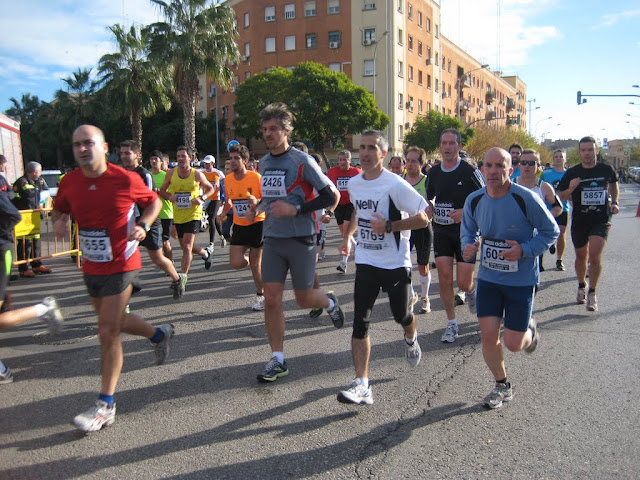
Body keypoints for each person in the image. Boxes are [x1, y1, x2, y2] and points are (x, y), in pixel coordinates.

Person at [52, 125, 175, 432]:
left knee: (107, 331)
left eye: (88, 143)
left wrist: (144, 224)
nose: (82, 149)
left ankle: (106, 405)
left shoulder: (124, 179)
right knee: (116, 323)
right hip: (92, 266)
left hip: (124, 262)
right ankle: (159, 335)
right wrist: (60, 221)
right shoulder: (70, 182)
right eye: (77, 144)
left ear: (104, 147)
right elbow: (59, 209)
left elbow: (154, 202)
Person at [250, 103, 344, 382]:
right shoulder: (265, 162)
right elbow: (272, 195)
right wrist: (258, 208)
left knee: (303, 299)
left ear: (286, 131)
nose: (268, 134)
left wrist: (298, 210)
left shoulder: (302, 161)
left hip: (302, 238)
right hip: (274, 240)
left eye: (273, 129)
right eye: (265, 129)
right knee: (272, 300)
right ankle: (277, 359)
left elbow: (330, 195)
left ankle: (328, 301)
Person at [461, 147, 559, 409]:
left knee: (514, 344)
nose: (493, 171)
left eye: (499, 166)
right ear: (482, 170)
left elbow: (552, 231)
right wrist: (468, 247)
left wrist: (524, 250)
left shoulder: (525, 198)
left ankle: (530, 329)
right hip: (490, 280)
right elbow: (467, 232)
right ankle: (501, 385)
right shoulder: (474, 200)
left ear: (510, 170)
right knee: (488, 335)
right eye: (488, 166)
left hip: (521, 281)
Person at [336, 130, 428, 405]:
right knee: (359, 322)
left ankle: (411, 338)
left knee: (401, 315)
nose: (364, 153)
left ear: (383, 154)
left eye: (371, 148)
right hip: (365, 261)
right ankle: (362, 384)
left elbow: (423, 218)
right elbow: (356, 212)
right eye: (361, 147)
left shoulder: (395, 185)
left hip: (394, 264)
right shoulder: (354, 184)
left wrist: (390, 226)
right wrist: (348, 236)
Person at [426, 128, 484, 343]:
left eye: (452, 143)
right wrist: (429, 207)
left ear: (459, 146)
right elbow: (428, 198)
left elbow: (485, 198)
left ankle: (471, 291)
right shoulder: (433, 172)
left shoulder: (469, 171)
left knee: (464, 281)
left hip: (466, 232)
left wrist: (466, 212)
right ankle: (452, 324)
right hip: (441, 230)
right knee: (443, 278)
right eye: (444, 143)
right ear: (440, 146)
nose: (448, 147)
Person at [556, 136, 619, 312]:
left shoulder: (606, 169)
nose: (587, 153)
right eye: (583, 150)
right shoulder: (573, 173)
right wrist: (571, 189)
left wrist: (614, 202)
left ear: (596, 151)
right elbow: (560, 196)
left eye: (590, 150)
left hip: (600, 218)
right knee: (581, 257)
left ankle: (592, 292)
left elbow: (614, 185)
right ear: (579, 152)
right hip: (580, 219)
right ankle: (582, 285)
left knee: (594, 257)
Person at [119, 141, 185, 300]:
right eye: (121, 153)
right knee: (122, 257)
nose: (124, 157)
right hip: (130, 223)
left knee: (157, 259)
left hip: (149, 224)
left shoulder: (144, 175)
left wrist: (144, 225)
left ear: (137, 155)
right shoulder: (122, 174)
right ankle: (125, 293)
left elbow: (150, 202)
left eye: (127, 153)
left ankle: (177, 279)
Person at [217, 144, 266, 311]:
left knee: (255, 264)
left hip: (257, 224)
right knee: (236, 263)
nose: (232, 162)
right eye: (230, 158)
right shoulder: (227, 179)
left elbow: (267, 200)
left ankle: (261, 295)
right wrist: (223, 213)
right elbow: (230, 200)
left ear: (245, 161)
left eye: (236, 158)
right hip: (239, 225)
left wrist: (256, 202)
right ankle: (255, 264)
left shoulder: (256, 178)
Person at [159, 146, 215, 284]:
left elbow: (210, 189)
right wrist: (169, 196)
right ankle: (205, 253)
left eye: (183, 156)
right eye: (178, 156)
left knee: (188, 246)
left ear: (190, 158)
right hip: (178, 215)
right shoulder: (171, 173)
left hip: (193, 213)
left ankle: (182, 278)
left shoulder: (197, 174)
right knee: (185, 246)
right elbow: (162, 190)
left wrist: (202, 198)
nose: (180, 159)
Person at [514, 149, 563, 271]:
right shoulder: (511, 184)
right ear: (519, 165)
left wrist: (544, 218)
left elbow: (558, 208)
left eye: (531, 163)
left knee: (534, 269)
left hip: (535, 236)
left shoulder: (544, 187)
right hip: (514, 233)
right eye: (523, 162)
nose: (527, 166)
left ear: (538, 166)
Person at [403, 146, 434, 314]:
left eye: (414, 161)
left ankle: (425, 296)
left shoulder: (427, 181)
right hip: (403, 228)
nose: (410, 164)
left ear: (421, 164)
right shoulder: (400, 179)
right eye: (407, 160)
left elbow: (431, 204)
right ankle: (410, 295)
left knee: (423, 265)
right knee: (403, 265)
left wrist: (430, 209)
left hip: (422, 227)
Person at [12, 161, 53, 277]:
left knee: (35, 241)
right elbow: (16, 200)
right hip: (24, 217)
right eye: (39, 171)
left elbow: (43, 194)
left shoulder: (39, 181)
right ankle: (23, 268)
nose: (40, 174)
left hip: (34, 216)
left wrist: (42, 206)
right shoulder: (21, 182)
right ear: (35, 172)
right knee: (25, 243)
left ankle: (36, 265)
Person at [326, 149, 360, 274]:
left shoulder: (356, 172)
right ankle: (357, 246)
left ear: (349, 160)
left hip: (351, 205)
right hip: (338, 205)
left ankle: (343, 263)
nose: (342, 162)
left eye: (344, 160)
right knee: (344, 234)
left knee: (346, 233)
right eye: (340, 160)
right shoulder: (332, 172)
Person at [540, 149, 570, 271]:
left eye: (561, 157)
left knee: (561, 234)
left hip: (563, 207)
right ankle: (540, 261)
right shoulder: (545, 173)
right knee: (541, 233)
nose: (558, 158)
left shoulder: (569, 174)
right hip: (547, 208)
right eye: (556, 156)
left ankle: (559, 260)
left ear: (565, 159)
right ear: (553, 159)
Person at [149, 151, 174, 262]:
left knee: (165, 242)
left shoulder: (166, 176)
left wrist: (158, 191)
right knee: (153, 243)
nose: (154, 161)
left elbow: (171, 196)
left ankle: (170, 262)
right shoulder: (147, 175)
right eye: (152, 159)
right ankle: (163, 262)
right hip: (151, 214)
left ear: (161, 162)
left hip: (165, 213)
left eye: (156, 159)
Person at [201, 155, 226, 249]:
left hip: (216, 198)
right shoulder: (202, 173)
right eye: (205, 163)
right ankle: (221, 236)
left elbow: (223, 186)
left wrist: (223, 199)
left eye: (209, 163)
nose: (207, 165)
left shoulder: (218, 173)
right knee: (214, 220)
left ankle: (211, 243)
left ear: (213, 163)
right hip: (206, 198)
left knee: (211, 218)